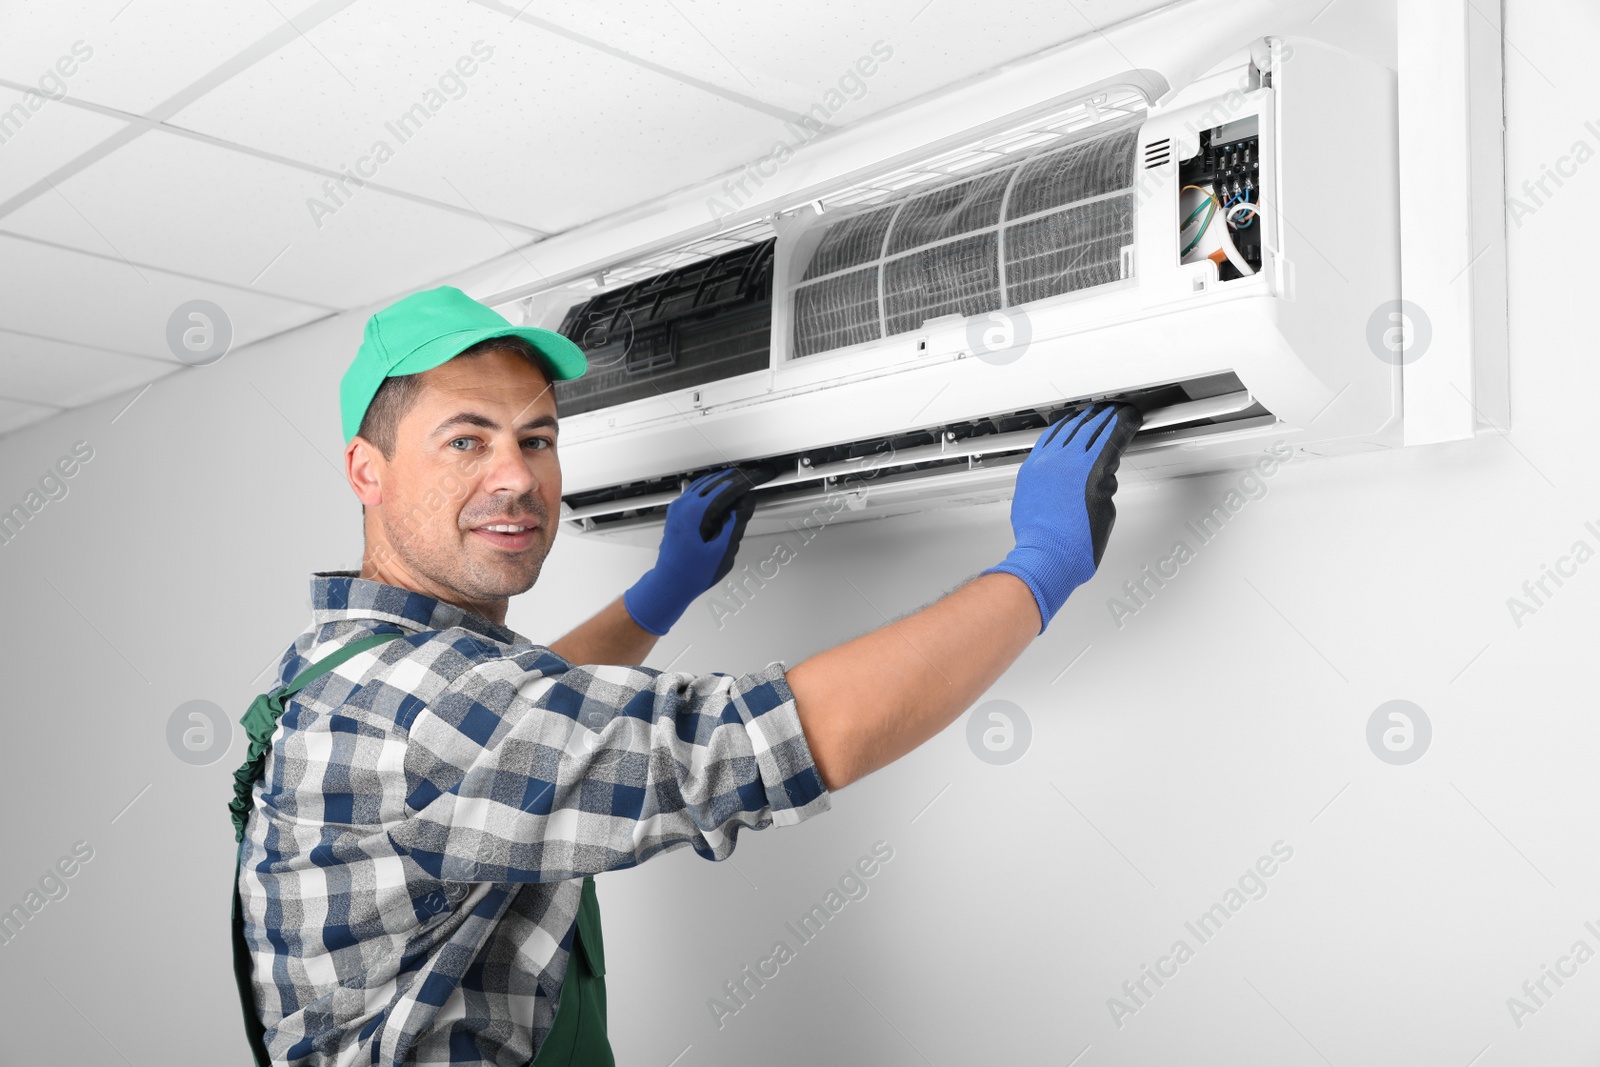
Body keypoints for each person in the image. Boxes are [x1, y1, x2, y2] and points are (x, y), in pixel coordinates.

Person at [231, 285, 1141, 1066]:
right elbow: (745, 745)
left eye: (537, 439)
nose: (516, 476)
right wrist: (1041, 564)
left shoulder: (347, 655)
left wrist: (657, 596)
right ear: (368, 471)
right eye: (466, 442)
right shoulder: (415, 703)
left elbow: (519, 716)